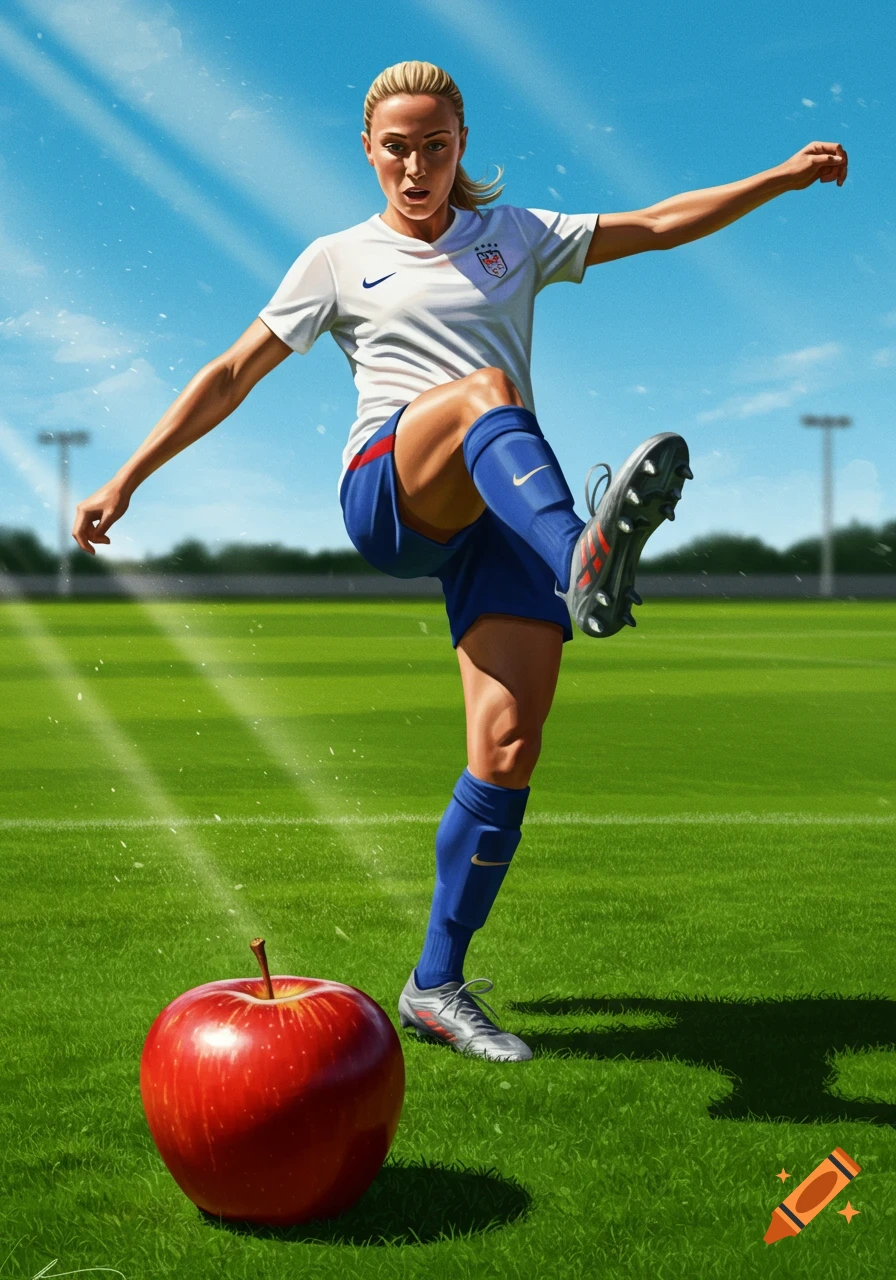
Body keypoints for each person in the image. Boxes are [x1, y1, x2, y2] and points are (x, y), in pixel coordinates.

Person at [72, 60, 847, 1064]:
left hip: (503, 514)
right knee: (485, 388)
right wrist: (127, 476)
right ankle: (583, 555)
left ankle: (435, 984)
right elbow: (230, 373)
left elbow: (656, 224)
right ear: (367, 150)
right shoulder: (337, 259)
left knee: (508, 746)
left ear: (460, 145)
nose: (415, 167)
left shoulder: (513, 234)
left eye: (434, 147)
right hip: (393, 490)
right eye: (396, 148)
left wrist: (778, 177)